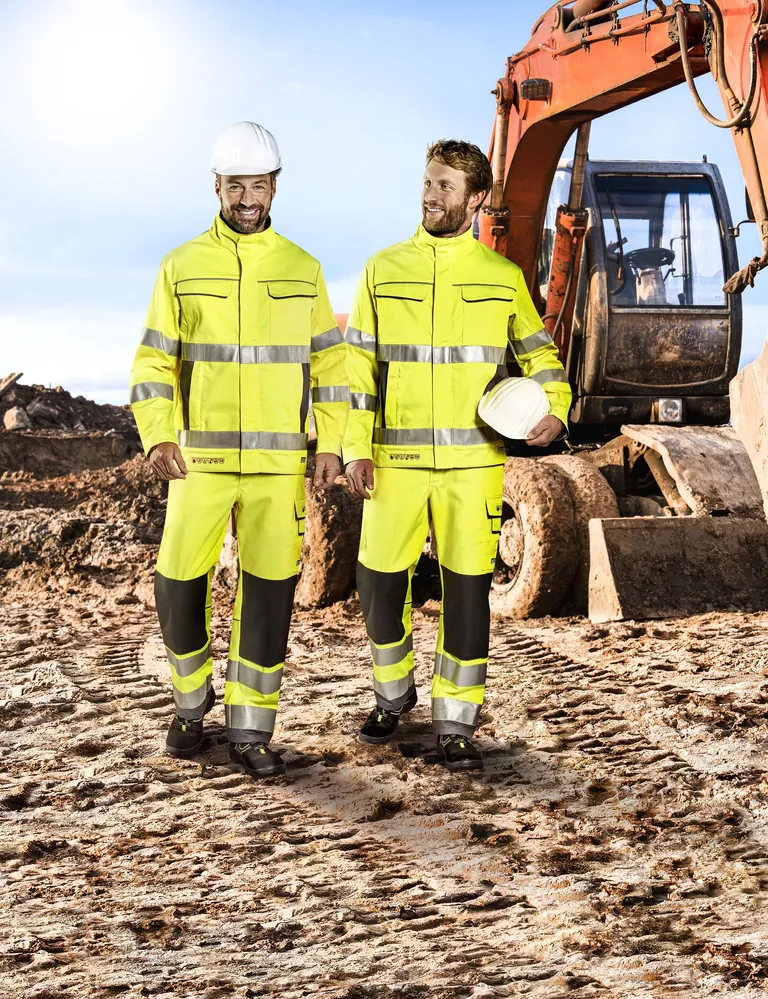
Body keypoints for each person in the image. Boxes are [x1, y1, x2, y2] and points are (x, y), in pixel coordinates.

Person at [343, 139, 572, 771]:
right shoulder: (381, 269)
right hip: (396, 464)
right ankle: (394, 694)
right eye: (427, 182)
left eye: (446, 187)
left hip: (475, 465)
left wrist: (556, 405)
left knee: (468, 594)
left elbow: (540, 355)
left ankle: (456, 721)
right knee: (377, 585)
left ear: (476, 200)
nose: (431, 196)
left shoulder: (502, 279)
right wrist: (354, 447)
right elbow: (355, 367)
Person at [129, 122, 347, 779]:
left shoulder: (303, 270)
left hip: (278, 466)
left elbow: (330, 366)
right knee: (176, 583)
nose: (247, 197)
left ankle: (251, 730)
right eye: (235, 186)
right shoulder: (181, 265)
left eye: (258, 185)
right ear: (216, 186)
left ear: (275, 187)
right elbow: (152, 361)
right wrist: (158, 431)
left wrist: (331, 442)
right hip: (200, 460)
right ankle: (192, 702)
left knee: (269, 592)